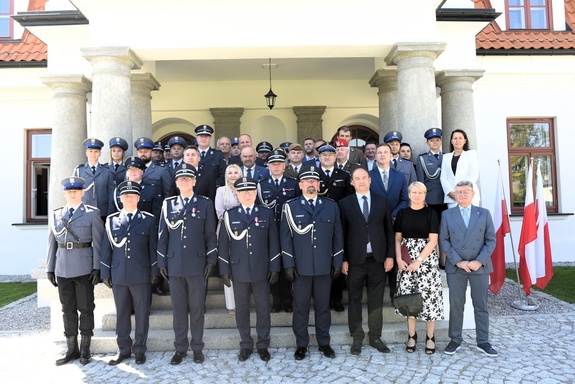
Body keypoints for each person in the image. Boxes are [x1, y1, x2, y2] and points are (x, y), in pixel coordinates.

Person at [280, 166, 343, 360]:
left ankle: (324, 343)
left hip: (324, 266)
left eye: (314, 181)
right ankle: (301, 344)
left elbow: (337, 236)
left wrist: (338, 261)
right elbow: (285, 238)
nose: (310, 184)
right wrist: (288, 265)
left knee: (323, 307)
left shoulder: (331, 206)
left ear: (318, 184)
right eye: (306, 181)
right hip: (301, 267)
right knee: (301, 308)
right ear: (300, 185)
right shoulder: (290, 207)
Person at [157, 164, 217, 365]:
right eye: (181, 179)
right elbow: (162, 236)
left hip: (197, 265)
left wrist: (211, 260)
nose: (184, 182)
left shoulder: (205, 204)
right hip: (174, 265)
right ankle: (180, 348)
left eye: (188, 179)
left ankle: (197, 348)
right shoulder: (168, 205)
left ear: (194, 181)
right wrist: (162, 261)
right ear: (176, 183)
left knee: (197, 309)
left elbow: (210, 235)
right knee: (179, 310)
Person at [218, 177, 281, 362]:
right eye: (243, 191)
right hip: (239, 270)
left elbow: (274, 242)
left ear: (255, 193)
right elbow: (223, 245)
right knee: (242, 309)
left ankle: (263, 345)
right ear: (236, 194)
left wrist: (275, 266)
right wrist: (224, 269)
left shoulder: (266, 213)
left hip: (262, 269)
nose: (247, 194)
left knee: (263, 309)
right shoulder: (230, 215)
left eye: (250, 191)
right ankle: (245, 344)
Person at [46, 176, 104, 366]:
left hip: (84, 268)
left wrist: (97, 267)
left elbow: (98, 242)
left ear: (82, 193)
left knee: (86, 309)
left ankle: (86, 349)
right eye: (69, 191)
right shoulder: (56, 214)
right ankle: (71, 348)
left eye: (76, 191)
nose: (72, 194)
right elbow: (52, 243)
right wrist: (50, 268)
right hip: (62, 268)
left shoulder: (92, 213)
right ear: (65, 193)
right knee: (67, 310)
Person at [101, 181, 159, 365]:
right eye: (125, 196)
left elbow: (153, 248)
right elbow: (106, 249)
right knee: (122, 314)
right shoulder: (111, 221)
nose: (129, 198)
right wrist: (105, 272)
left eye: (133, 196)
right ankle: (123, 349)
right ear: (120, 198)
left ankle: (140, 348)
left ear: (138, 198)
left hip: (141, 274)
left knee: (142, 313)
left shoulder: (148, 219)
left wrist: (154, 270)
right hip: (118, 274)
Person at [339, 168, 394, 355]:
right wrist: (343, 259)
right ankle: (357, 337)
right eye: (357, 179)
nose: (361, 181)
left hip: (378, 259)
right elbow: (341, 234)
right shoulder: (344, 204)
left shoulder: (382, 201)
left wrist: (390, 256)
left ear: (370, 180)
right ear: (352, 182)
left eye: (364, 178)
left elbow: (389, 231)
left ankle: (375, 337)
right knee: (354, 299)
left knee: (376, 300)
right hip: (355, 260)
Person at [440, 180, 497, 357]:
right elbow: (444, 240)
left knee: (481, 305)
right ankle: (455, 339)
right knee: (456, 305)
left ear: (473, 194)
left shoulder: (484, 214)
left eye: (466, 192)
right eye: (459, 192)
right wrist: (458, 261)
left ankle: (483, 341)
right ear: (454, 195)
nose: (462, 195)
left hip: (479, 267)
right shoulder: (447, 215)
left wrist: (479, 261)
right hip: (456, 267)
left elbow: (491, 240)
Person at [394, 181, 443, 354]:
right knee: (409, 300)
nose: (417, 195)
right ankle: (412, 336)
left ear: (424, 195)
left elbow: (433, 241)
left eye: (420, 192)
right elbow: (398, 238)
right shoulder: (402, 213)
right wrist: (399, 259)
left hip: (426, 260)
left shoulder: (431, 214)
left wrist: (419, 260)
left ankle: (430, 336)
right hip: (406, 259)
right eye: (414, 192)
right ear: (409, 194)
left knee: (429, 300)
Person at [257, 150, 300, 312]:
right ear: (268, 166)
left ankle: (288, 301)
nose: (276, 166)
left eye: (279, 164)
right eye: (273, 164)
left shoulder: (293, 183)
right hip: (269, 230)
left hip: (288, 229)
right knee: (273, 265)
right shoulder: (261, 185)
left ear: (284, 166)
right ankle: (276, 301)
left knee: (288, 265)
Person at [316, 143, 353, 312]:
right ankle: (323, 299)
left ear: (335, 157)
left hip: (338, 223)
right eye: (324, 155)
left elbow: (348, 200)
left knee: (338, 258)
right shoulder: (313, 175)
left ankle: (337, 298)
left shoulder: (344, 176)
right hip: (318, 223)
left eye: (330, 155)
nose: (327, 158)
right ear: (319, 158)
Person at [416, 128, 448, 268]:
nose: (434, 142)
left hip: (447, 199)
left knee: (444, 232)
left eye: (437, 140)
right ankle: (430, 260)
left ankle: (444, 261)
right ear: (427, 142)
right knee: (430, 232)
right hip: (431, 200)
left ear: (441, 141)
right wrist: (422, 200)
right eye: (431, 140)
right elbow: (420, 181)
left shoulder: (447, 157)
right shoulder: (422, 158)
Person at [214, 164, 242, 314]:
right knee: (227, 268)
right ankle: (231, 305)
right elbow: (220, 213)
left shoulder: (246, 188)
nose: (233, 175)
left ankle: (242, 300)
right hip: (225, 232)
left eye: (235, 172)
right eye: (230, 173)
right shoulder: (220, 191)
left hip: (244, 233)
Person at [73, 138, 115, 220]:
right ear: (86, 153)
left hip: (103, 211)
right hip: (84, 211)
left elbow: (111, 193)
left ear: (100, 153)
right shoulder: (79, 170)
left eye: (96, 152)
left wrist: (110, 212)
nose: (93, 154)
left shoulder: (106, 171)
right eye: (91, 151)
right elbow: (74, 192)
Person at [440, 129, 480, 208]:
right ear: (451, 141)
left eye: (460, 138)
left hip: (468, 196)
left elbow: (473, 174)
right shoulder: (446, 157)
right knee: (454, 219)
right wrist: (449, 192)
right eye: (455, 138)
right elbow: (443, 177)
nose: (457, 140)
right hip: (452, 197)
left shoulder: (471, 154)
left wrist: (463, 191)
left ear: (465, 140)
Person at [369, 143, 409, 218]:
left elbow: (405, 200)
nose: (382, 155)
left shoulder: (400, 176)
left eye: (385, 152)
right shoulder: (368, 176)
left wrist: (394, 214)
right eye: (379, 153)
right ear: (375, 156)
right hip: (375, 219)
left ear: (391, 156)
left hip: (395, 219)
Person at [195, 124, 226, 201]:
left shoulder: (218, 155)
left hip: (212, 194)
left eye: (206, 136)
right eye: (201, 136)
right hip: (193, 192)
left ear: (210, 138)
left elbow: (222, 174)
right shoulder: (191, 154)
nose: (204, 139)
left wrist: (213, 187)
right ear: (197, 138)